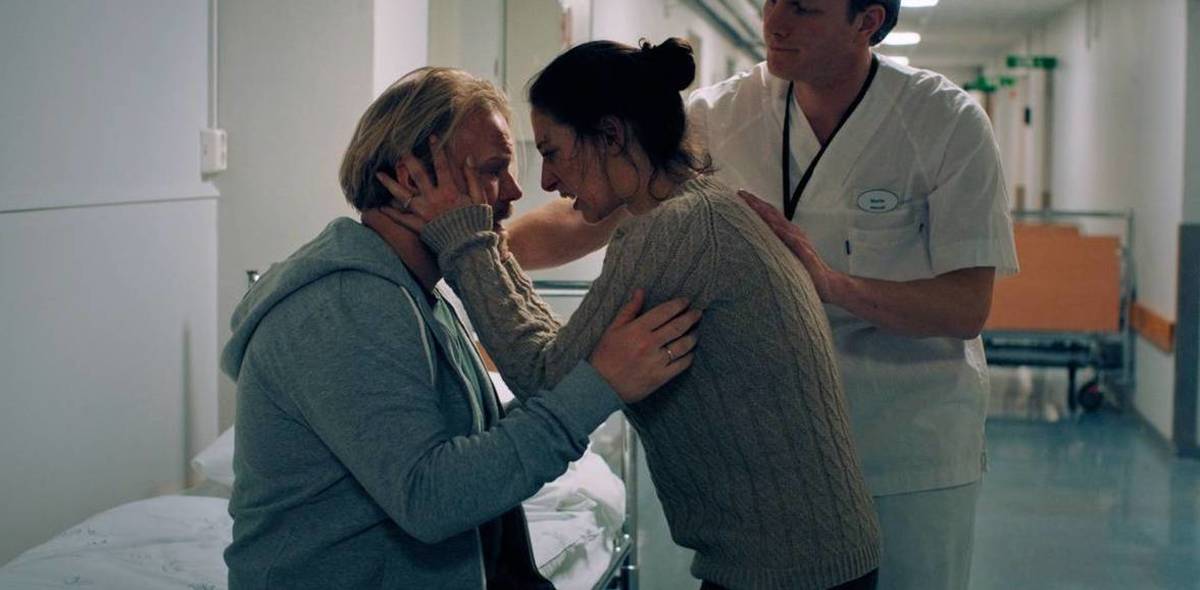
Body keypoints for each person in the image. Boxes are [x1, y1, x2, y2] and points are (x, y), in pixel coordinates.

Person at [507, 2, 1020, 588]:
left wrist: (833, 286)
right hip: (778, 469)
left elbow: (965, 307)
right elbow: (589, 214)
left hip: (905, 448)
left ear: (867, 21)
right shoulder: (719, 114)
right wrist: (468, 247)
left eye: (803, 7)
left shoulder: (946, 122)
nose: (774, 20)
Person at [372, 39, 881, 590]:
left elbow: (546, 376)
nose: (546, 182)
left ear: (611, 135)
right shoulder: (700, 212)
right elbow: (568, 360)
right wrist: (484, 243)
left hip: (789, 571)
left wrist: (468, 240)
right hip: (803, 558)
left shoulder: (676, 231)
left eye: (553, 152)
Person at [219, 66, 701, 590]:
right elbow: (431, 499)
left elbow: (472, 440)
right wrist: (597, 386)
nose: (515, 190)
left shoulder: (416, 294)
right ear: (410, 181)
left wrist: (591, 383)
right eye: (494, 170)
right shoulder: (344, 304)